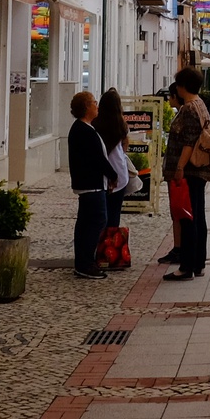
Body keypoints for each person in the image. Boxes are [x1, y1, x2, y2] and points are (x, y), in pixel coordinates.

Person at [160, 66, 210, 281]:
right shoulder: (200, 104)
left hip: (190, 171)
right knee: (198, 216)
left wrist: (179, 168)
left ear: (182, 86)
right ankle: (198, 262)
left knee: (188, 217)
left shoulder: (189, 108)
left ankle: (186, 267)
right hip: (199, 170)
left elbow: (188, 142)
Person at [67, 90, 109, 279]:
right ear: (86, 108)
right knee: (96, 221)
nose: (97, 106)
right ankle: (86, 263)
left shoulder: (81, 129)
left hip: (87, 184)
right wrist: (113, 174)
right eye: (93, 102)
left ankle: (82, 262)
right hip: (91, 184)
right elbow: (98, 159)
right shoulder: (84, 131)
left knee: (85, 223)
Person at [96, 88, 134, 270]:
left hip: (102, 176)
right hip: (119, 174)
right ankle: (112, 251)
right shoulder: (121, 124)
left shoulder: (96, 124)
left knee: (100, 216)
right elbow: (125, 147)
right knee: (114, 215)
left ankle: (100, 251)